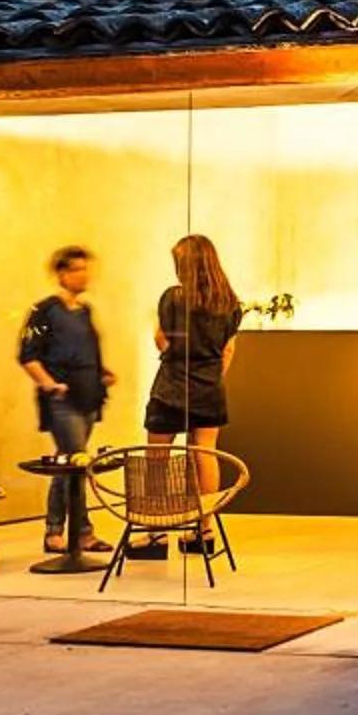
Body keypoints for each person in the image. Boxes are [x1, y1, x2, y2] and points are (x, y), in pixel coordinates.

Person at [135, 233, 244, 559]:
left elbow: (161, 341)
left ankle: (155, 534)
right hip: (208, 389)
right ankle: (203, 529)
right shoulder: (229, 302)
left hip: (170, 388)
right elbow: (228, 351)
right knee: (204, 455)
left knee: (157, 460)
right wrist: (207, 378)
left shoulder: (172, 298)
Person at [17, 245, 115, 568]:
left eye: (86, 269)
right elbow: (28, 354)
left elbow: (86, 352)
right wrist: (49, 384)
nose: (83, 275)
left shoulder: (85, 312)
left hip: (88, 397)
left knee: (69, 465)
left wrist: (102, 374)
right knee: (76, 464)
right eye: (76, 269)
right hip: (62, 401)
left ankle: (55, 530)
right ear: (61, 273)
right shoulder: (44, 310)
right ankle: (82, 531)